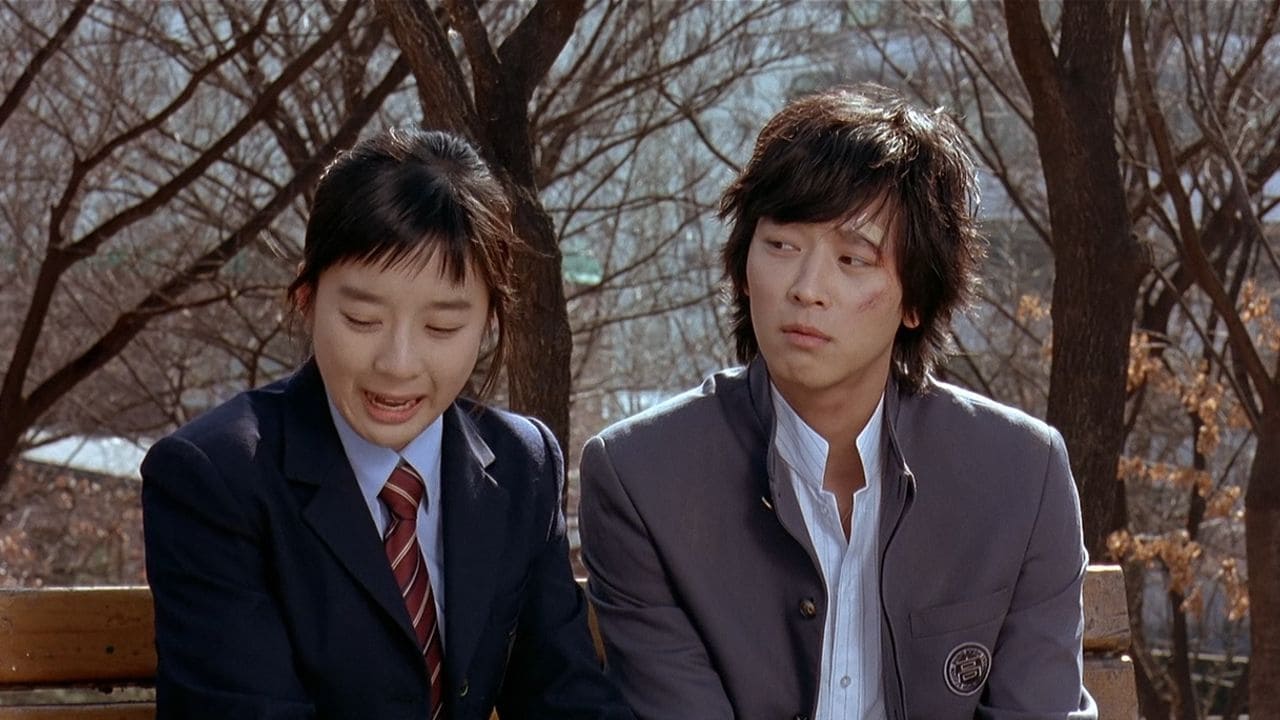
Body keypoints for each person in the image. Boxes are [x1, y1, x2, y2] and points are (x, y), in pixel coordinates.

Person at [578, 84, 1096, 720]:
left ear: (915, 299)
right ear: (743, 268)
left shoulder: (1021, 473)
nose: (807, 288)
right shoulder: (642, 478)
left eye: (853, 258)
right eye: (782, 246)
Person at [142, 129, 633, 720]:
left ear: (490, 321)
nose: (398, 364)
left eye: (442, 328)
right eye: (362, 318)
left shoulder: (521, 463)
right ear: (306, 298)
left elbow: (565, 694)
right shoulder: (218, 478)